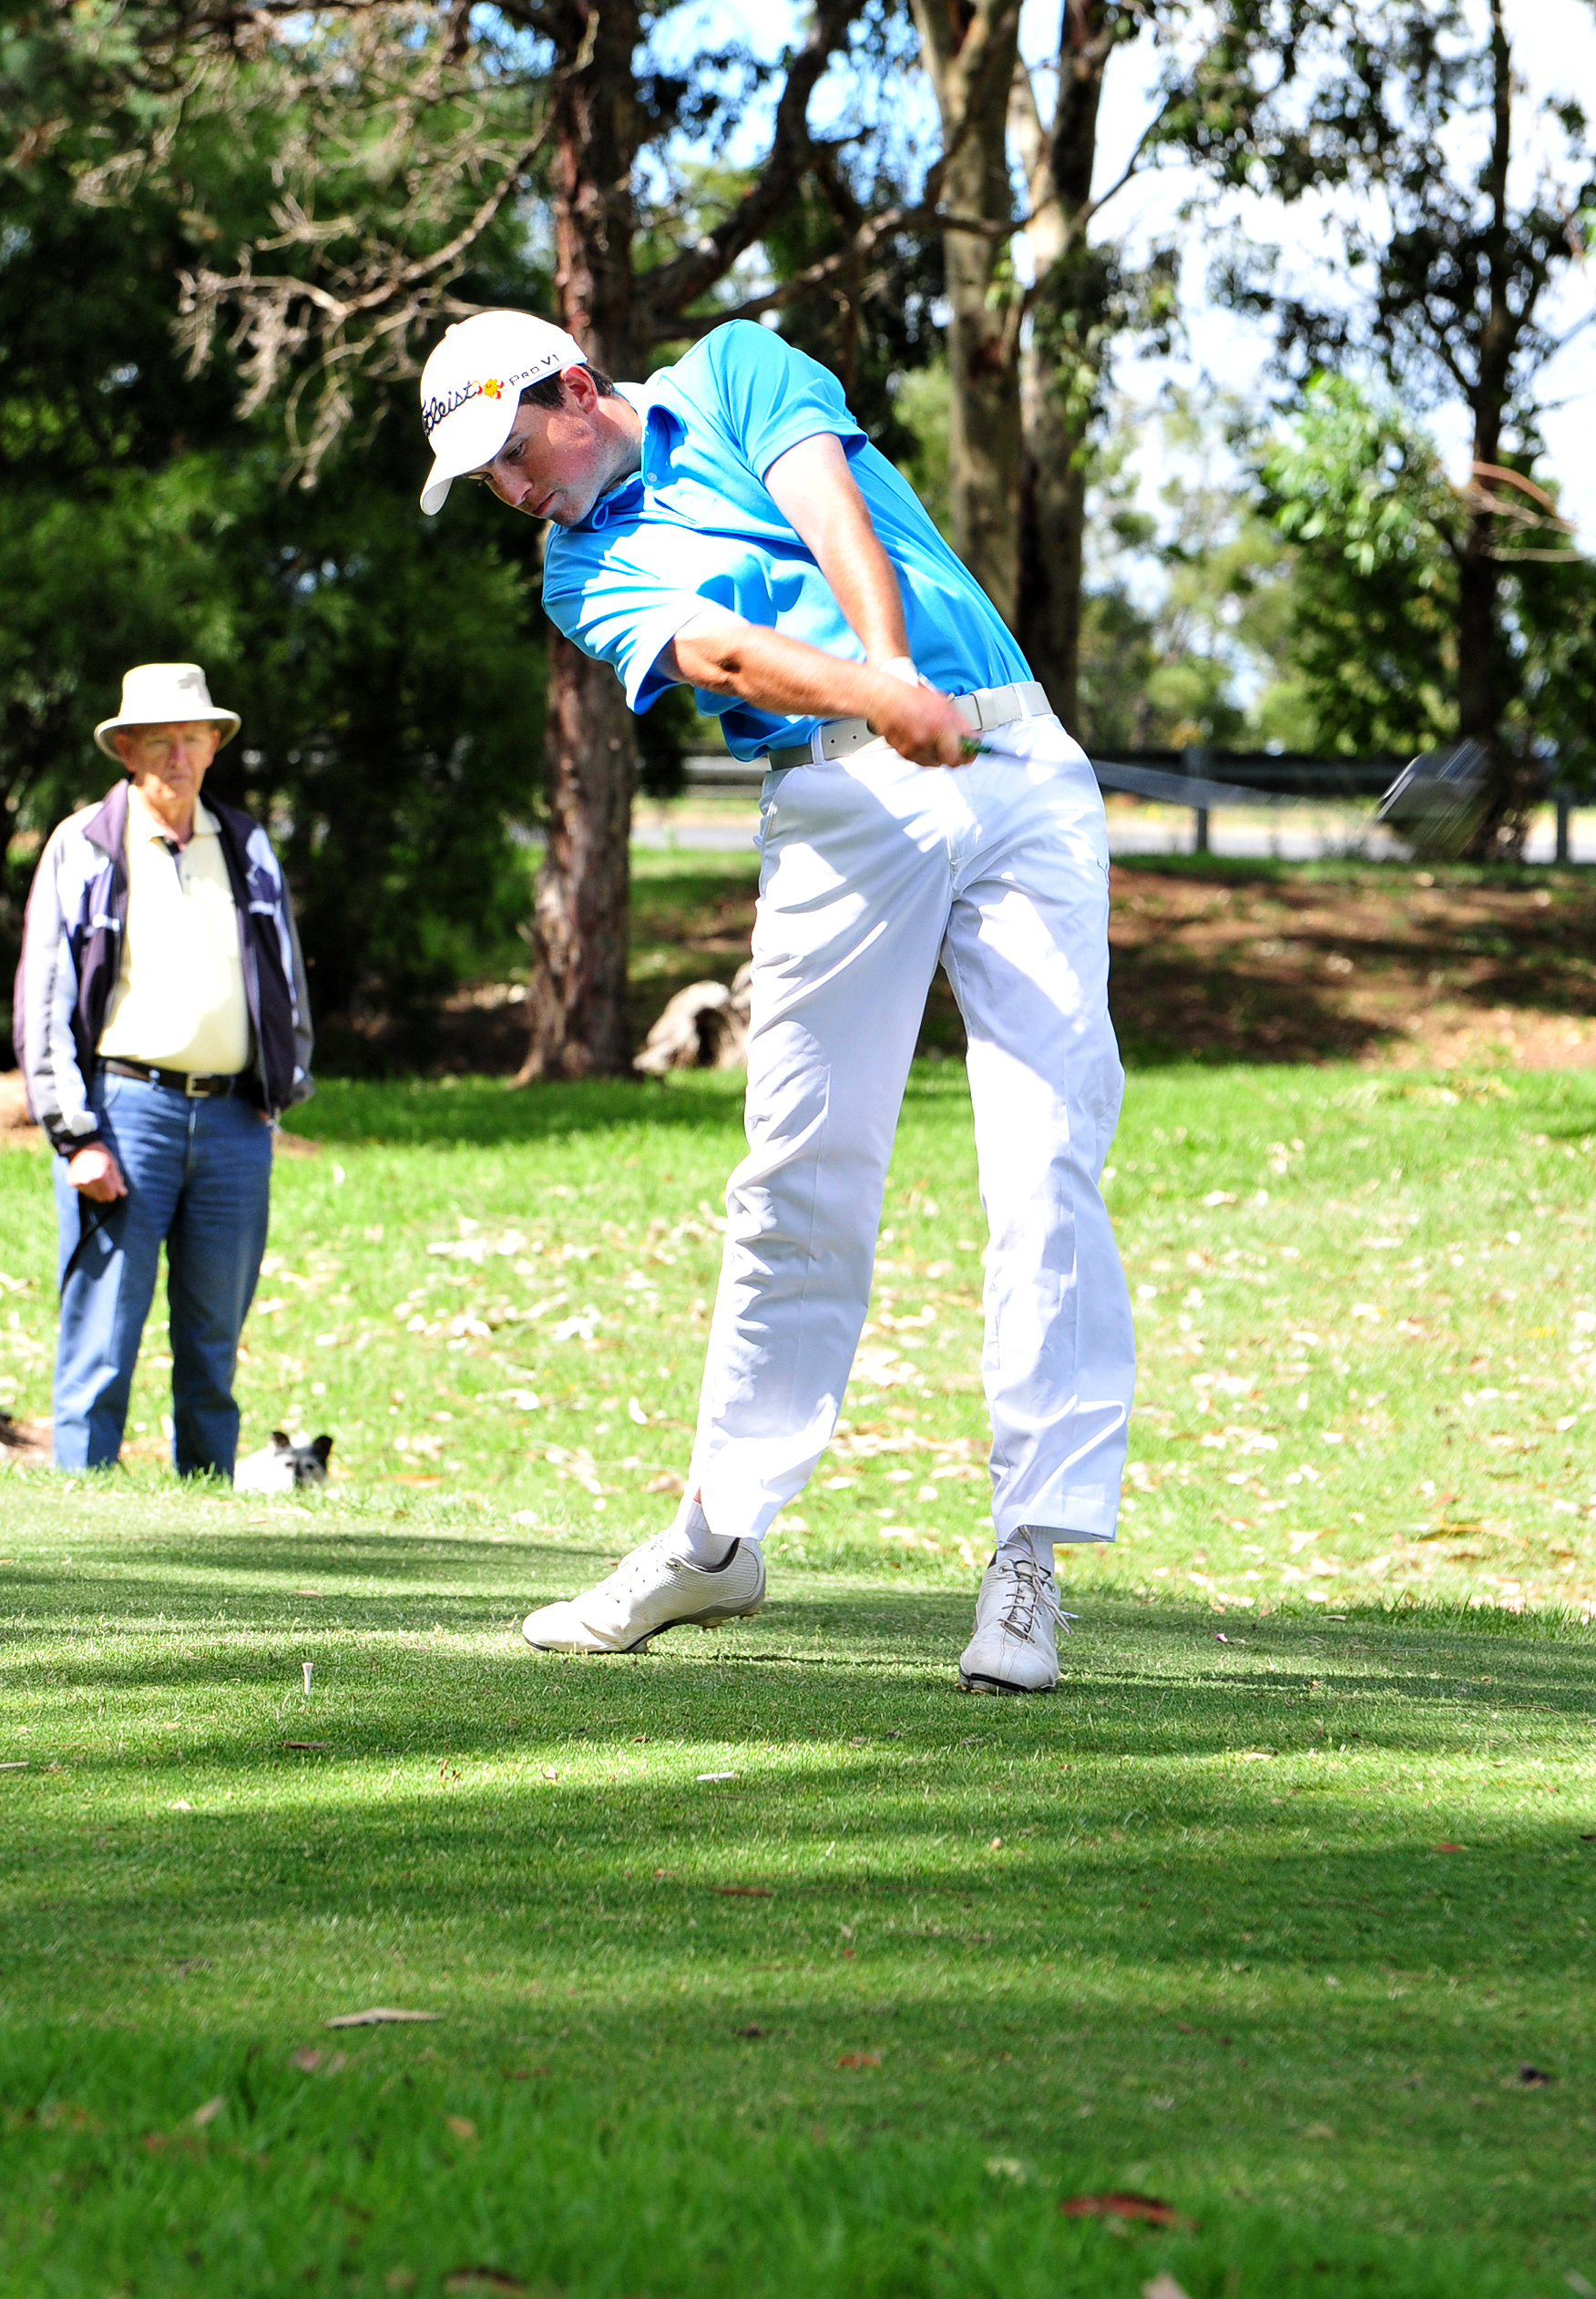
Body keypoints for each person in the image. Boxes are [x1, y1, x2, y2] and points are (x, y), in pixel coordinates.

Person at [417, 312, 1136, 1692]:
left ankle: (1030, 1553)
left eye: (513, 451)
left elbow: (829, 501)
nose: (511, 490)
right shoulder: (579, 570)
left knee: (1048, 1154)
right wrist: (876, 696)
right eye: (486, 477)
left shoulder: (735, 372)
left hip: (1020, 765)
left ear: (577, 387)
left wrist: (897, 673)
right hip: (837, 803)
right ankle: (718, 1534)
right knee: (799, 1173)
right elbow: (727, 658)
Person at [15, 662, 314, 1477]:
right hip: (122, 1115)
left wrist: (280, 1089)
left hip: (234, 1121)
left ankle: (207, 1510)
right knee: (101, 1338)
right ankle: (81, 1517)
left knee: (214, 1341)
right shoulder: (84, 844)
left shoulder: (247, 845)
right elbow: (43, 1002)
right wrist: (74, 1135)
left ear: (215, 746)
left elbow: (285, 977)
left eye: (192, 739)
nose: (178, 758)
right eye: (159, 742)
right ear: (126, 751)